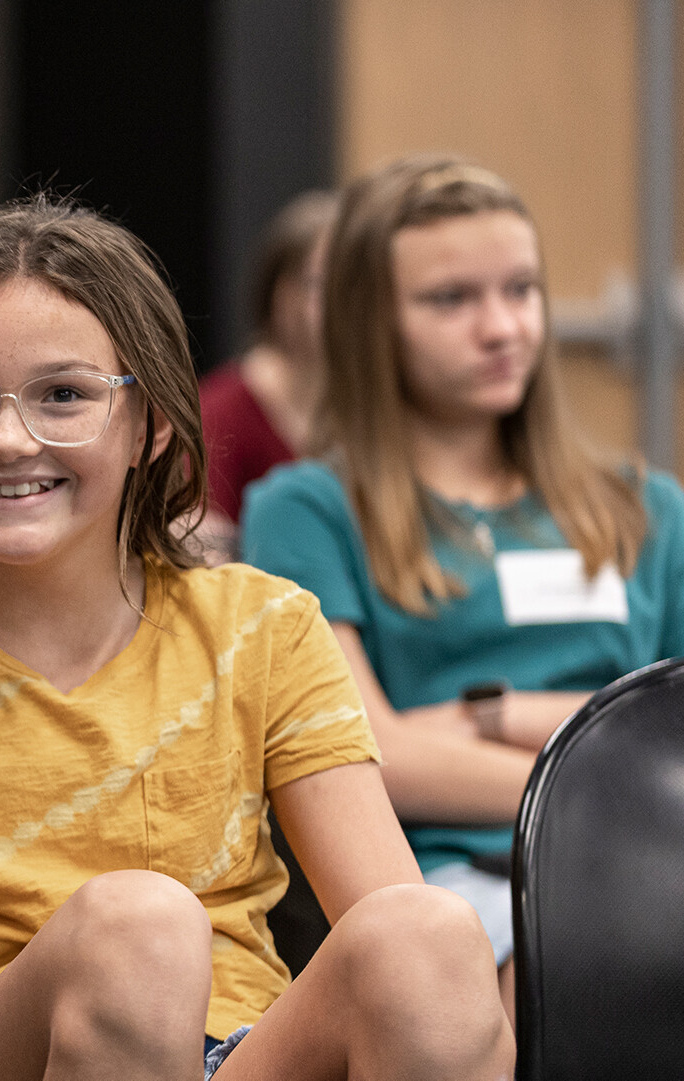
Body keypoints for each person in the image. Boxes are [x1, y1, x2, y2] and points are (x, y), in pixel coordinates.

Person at [0, 196, 512, 1080]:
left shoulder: (262, 622)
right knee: (139, 926)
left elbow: (384, 921)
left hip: (237, 1052)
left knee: (429, 930)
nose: (8, 439)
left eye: (63, 395)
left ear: (151, 425)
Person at [242, 154, 684, 1017]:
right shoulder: (306, 507)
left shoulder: (648, 509)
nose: (501, 327)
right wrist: (598, 754)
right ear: (373, 322)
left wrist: (493, 713)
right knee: (566, 954)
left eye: (520, 290)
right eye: (451, 299)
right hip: (442, 884)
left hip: (650, 856)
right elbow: (372, 755)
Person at [195, 190, 336, 560]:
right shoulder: (221, 409)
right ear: (279, 294)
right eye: (323, 283)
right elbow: (199, 547)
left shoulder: (380, 404)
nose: (346, 302)